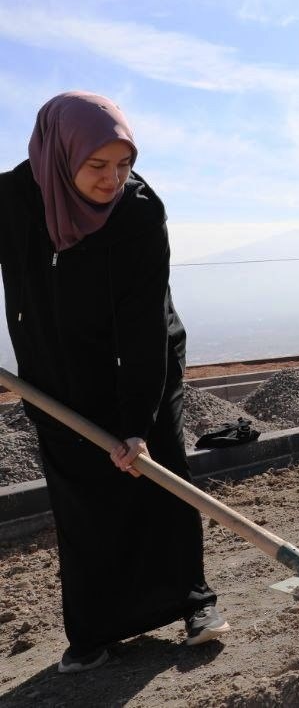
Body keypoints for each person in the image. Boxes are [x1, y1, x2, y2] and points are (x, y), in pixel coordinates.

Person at [0, 92, 228, 673]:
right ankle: (93, 630)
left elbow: (144, 328)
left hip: (141, 359)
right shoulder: (13, 198)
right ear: (60, 156)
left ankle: (194, 602)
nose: (114, 179)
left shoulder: (139, 214)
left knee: (161, 474)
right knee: (80, 498)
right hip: (54, 372)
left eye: (124, 164)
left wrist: (135, 426)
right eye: (98, 165)